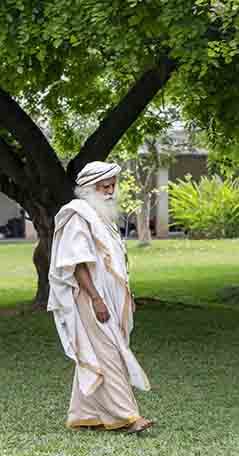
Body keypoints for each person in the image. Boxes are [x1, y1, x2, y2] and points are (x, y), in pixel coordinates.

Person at [47, 161, 153, 434]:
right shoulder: (77, 215)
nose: (109, 191)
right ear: (88, 188)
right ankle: (128, 417)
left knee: (96, 352)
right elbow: (76, 263)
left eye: (112, 185)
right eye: (103, 186)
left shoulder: (100, 216)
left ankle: (84, 414)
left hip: (107, 298)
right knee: (109, 354)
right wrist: (96, 298)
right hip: (91, 299)